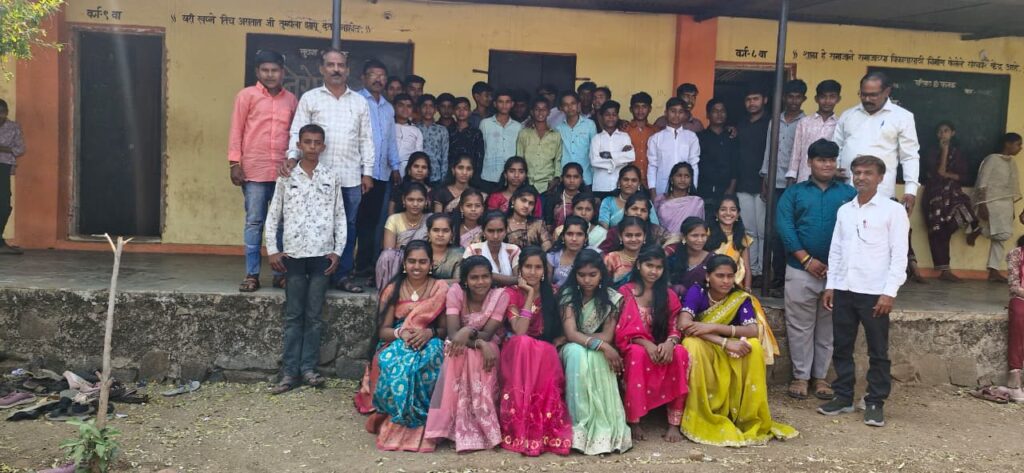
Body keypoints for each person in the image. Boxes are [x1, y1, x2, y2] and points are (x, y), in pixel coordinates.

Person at [819, 155, 909, 428]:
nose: (861, 177)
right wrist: (831, 284)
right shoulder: (845, 210)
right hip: (844, 288)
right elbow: (836, 249)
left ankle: (874, 401)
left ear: (880, 177)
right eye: (857, 172)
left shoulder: (893, 211)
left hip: (875, 291)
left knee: (878, 350)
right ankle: (843, 396)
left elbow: (899, 255)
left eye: (868, 173)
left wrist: (889, 292)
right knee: (842, 345)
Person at [678, 255, 796, 446]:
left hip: (731, 348)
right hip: (707, 345)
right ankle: (703, 412)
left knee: (754, 346)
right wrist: (723, 342)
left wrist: (714, 328)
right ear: (708, 276)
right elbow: (684, 324)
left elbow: (753, 330)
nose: (726, 281)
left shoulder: (739, 298)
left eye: (730, 276)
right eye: (720, 276)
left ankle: (746, 415)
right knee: (691, 343)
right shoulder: (697, 291)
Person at [285, 50, 375, 294]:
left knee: (348, 227)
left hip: (350, 176)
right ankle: (317, 276)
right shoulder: (310, 98)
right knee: (316, 224)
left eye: (341, 65)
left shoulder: (359, 102)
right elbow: (296, 132)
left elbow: (366, 139)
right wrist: (292, 157)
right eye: (331, 64)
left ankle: (342, 275)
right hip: (316, 177)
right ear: (321, 68)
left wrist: (367, 172)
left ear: (347, 70)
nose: (336, 69)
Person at [264, 124, 343, 394]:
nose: (312, 146)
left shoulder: (331, 177)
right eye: (307, 142)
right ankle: (289, 372)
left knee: (314, 315)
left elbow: (339, 216)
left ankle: (309, 368)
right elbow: (273, 215)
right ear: (299, 145)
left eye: (317, 142)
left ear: (323, 146)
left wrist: (338, 250)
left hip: (322, 255)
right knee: (293, 315)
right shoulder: (287, 177)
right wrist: (272, 249)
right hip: (294, 254)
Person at [775, 139, 855, 400]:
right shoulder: (794, 193)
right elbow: (785, 227)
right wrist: (806, 259)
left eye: (831, 160)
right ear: (810, 162)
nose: (827, 165)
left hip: (837, 273)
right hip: (800, 269)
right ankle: (800, 377)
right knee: (799, 326)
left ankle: (820, 378)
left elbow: (856, 230)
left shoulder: (848, 194)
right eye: (821, 160)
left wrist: (839, 265)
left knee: (828, 328)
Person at [833, 71, 923, 283]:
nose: (867, 99)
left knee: (875, 244)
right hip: (846, 190)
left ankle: (874, 287)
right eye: (863, 94)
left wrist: (911, 190)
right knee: (844, 240)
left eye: (873, 95)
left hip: (880, 193)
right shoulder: (848, 115)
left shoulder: (902, 117)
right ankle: (842, 283)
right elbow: (836, 147)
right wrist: (834, 168)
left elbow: (910, 156)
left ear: (887, 92)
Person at [364, 241, 449, 452]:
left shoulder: (439, 288)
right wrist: (401, 333)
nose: (417, 266)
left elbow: (444, 329)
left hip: (430, 338)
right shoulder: (393, 289)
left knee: (429, 358)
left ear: (431, 264)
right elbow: (383, 331)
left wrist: (428, 333)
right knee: (394, 361)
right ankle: (398, 417)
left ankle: (424, 421)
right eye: (412, 261)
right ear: (404, 264)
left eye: (422, 262)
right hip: (398, 338)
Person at [228, 50, 297, 290]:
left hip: (283, 172)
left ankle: (280, 274)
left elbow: (295, 134)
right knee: (254, 222)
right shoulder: (246, 96)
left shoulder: (291, 100)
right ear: (257, 72)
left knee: (281, 224)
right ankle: (252, 274)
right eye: (265, 70)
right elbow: (236, 129)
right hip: (253, 170)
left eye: (274, 70)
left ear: (283, 72)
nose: (270, 75)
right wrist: (234, 163)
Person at [424, 256, 507, 451]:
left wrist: (470, 333)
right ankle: (447, 427)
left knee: (477, 354)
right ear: (465, 281)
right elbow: (453, 334)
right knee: (457, 352)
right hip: (460, 344)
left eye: (485, 277)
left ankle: (480, 424)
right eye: (474, 277)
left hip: (489, 344)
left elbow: (488, 334)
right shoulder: (456, 292)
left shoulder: (500, 296)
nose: (480, 282)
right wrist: (476, 340)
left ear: (491, 278)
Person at [558, 249, 633, 454]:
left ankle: (603, 428)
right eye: (582, 275)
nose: (587, 280)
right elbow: (571, 333)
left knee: (597, 357)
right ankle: (578, 427)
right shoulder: (568, 295)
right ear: (575, 275)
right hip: (571, 348)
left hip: (592, 346)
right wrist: (601, 345)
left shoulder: (612, 298)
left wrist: (596, 344)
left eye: (592, 275)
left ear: (601, 274)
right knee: (577, 352)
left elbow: (607, 335)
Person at [500, 247, 572, 456]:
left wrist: (560, 339)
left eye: (538, 267)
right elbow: (520, 330)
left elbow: (565, 327)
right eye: (528, 267)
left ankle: (540, 428)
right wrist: (530, 294)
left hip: (543, 351)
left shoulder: (554, 293)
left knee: (544, 350)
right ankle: (519, 425)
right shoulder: (511, 293)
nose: (532, 272)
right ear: (520, 269)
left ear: (544, 270)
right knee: (524, 343)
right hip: (517, 351)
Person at [616, 246, 689, 443]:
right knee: (636, 354)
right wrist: (646, 344)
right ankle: (634, 421)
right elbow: (621, 330)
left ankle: (674, 423)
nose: (654, 271)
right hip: (635, 346)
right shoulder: (626, 292)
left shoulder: (668, 295)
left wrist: (670, 343)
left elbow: (675, 325)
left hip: (662, 346)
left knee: (680, 353)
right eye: (649, 265)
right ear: (639, 265)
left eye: (659, 267)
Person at [353, 59, 400, 291]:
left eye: (382, 75)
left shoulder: (388, 108)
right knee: (353, 220)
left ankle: (364, 265)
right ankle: (348, 266)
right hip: (358, 173)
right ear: (363, 77)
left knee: (371, 222)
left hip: (381, 173)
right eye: (373, 74)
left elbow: (390, 140)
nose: (378, 79)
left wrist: (396, 166)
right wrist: (364, 170)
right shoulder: (355, 101)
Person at [760, 79, 808, 293]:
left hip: (796, 185)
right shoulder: (775, 120)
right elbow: (768, 151)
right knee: (775, 232)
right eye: (790, 96)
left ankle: (791, 277)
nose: (793, 101)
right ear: (784, 98)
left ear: (804, 99)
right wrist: (765, 178)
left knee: (793, 232)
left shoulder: (806, 122)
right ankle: (778, 277)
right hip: (775, 183)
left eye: (798, 97)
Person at [923, 121, 981, 282]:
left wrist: (948, 175)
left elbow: (965, 176)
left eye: (946, 130)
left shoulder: (959, 153)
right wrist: (944, 151)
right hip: (934, 194)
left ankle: (974, 229)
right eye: (940, 131)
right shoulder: (931, 151)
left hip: (953, 193)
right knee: (937, 230)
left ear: (953, 133)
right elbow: (939, 173)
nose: (943, 134)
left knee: (961, 213)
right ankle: (944, 270)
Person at [974, 133, 1023, 283]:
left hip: (1006, 203)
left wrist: (1012, 208)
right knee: (1003, 234)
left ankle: (993, 270)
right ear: (1008, 144)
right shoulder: (992, 159)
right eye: (1018, 144)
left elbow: (1011, 187)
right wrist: (982, 204)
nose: (1020, 148)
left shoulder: (1011, 162)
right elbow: (982, 182)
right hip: (992, 201)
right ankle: (979, 230)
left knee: (1001, 238)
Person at [735, 87, 771, 287]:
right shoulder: (741, 124)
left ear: (764, 99)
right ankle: (753, 270)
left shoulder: (771, 123)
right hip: (743, 183)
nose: (752, 103)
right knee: (749, 231)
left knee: (763, 230)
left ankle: (764, 270)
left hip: (762, 184)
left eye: (756, 98)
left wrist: (766, 181)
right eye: (748, 99)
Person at [376, 182, 432, 290]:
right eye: (411, 200)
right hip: (398, 263)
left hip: (423, 261)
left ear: (426, 201)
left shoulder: (431, 220)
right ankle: (389, 292)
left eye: (420, 200)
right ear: (403, 200)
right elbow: (389, 251)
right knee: (387, 256)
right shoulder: (394, 219)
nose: (415, 204)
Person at [787, 80, 842, 184]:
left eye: (832, 97)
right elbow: (796, 152)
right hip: (804, 178)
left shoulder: (840, 124)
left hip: (830, 180)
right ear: (816, 99)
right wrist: (791, 177)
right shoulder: (804, 122)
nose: (827, 101)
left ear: (838, 99)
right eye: (823, 97)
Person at [647, 98, 701, 199]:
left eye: (680, 112)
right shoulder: (656, 138)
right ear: (666, 113)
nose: (676, 115)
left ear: (685, 115)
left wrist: (693, 189)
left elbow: (694, 164)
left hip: (685, 189)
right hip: (662, 188)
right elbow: (652, 166)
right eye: (673, 111)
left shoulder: (691, 137)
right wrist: (653, 191)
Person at [695, 98, 738, 215]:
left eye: (722, 111)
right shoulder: (699, 138)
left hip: (725, 191)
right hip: (703, 191)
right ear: (708, 115)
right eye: (715, 111)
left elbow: (735, 164)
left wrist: (731, 188)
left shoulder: (732, 137)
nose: (719, 114)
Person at [590, 101, 636, 198]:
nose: (611, 117)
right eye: (607, 115)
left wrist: (609, 155)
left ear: (618, 116)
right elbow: (595, 161)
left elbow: (631, 157)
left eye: (614, 114)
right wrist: (619, 157)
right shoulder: (596, 138)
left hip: (621, 186)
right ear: (602, 117)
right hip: (601, 185)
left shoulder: (624, 136)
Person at [479, 90, 523, 192]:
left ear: (512, 104)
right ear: (495, 104)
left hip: (511, 176)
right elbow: (481, 149)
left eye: (507, 102)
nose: (504, 105)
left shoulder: (518, 126)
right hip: (489, 174)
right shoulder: (485, 124)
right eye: (500, 102)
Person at [516, 98, 563, 191]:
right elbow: (519, 157)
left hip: (548, 184)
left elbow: (558, 159)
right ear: (532, 112)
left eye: (544, 109)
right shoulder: (524, 133)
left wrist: (556, 178)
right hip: (527, 182)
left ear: (549, 112)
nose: (540, 112)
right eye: (537, 109)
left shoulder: (555, 135)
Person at [463, 211, 521, 287]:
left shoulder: (513, 250)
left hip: (510, 293)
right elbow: (465, 277)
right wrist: (506, 280)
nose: (495, 236)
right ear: (483, 231)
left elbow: (518, 279)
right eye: (490, 231)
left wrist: (487, 274)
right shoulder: (472, 250)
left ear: (506, 231)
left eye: (500, 230)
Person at [598, 192, 668, 253]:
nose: (638, 213)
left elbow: (673, 240)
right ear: (626, 211)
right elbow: (602, 252)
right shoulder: (615, 231)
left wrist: (662, 254)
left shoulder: (656, 230)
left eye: (643, 210)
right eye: (634, 209)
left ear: (648, 214)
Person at [707, 196, 752, 289]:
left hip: (734, 286)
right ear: (716, 213)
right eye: (723, 209)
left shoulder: (742, 237)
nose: (728, 213)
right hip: (710, 285)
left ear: (738, 214)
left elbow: (747, 268)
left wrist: (747, 290)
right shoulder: (706, 234)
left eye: (733, 210)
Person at [654, 162, 705, 244]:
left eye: (687, 176)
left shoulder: (696, 203)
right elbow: (655, 226)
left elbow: (699, 228)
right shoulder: (660, 200)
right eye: (679, 175)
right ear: (672, 179)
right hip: (664, 244)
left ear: (691, 180)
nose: (683, 179)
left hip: (689, 244)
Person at [556, 92, 598, 186]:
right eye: (566, 105)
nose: (570, 107)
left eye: (573, 103)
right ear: (561, 108)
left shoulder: (590, 125)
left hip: (586, 177)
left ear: (578, 105)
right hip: (565, 178)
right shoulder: (558, 129)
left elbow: (594, 151)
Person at [666, 217, 712, 296]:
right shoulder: (673, 258)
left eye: (703, 235)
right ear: (684, 237)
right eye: (695, 236)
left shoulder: (712, 259)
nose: (700, 240)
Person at [1002, 236, 1024, 402]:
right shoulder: (1016, 254)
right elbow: (1014, 286)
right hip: (1021, 297)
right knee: (1018, 317)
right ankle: (1014, 380)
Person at [448, 97, 485, 187]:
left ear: (470, 112)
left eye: (465, 109)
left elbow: (479, 156)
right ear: (453, 111)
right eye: (458, 108)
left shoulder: (476, 133)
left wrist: (476, 175)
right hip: (451, 175)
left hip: (470, 175)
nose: (461, 112)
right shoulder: (448, 131)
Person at [603, 216, 647, 288]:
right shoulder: (611, 258)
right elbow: (603, 285)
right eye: (628, 235)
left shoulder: (649, 258)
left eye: (638, 235)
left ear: (644, 237)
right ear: (620, 237)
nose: (633, 239)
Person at [505, 186, 553, 252]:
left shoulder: (538, 224)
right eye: (523, 200)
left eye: (531, 203)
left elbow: (547, 248)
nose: (526, 206)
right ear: (513, 200)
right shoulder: (503, 224)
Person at [416, 95, 450, 187]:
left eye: (431, 106)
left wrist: (443, 179)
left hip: (436, 176)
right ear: (419, 109)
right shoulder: (414, 129)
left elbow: (445, 156)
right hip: (418, 175)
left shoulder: (442, 130)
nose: (428, 109)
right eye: (424, 106)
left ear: (435, 109)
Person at [624, 92, 658, 184]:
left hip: (650, 181)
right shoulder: (624, 130)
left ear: (650, 109)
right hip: (629, 181)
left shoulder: (656, 132)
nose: (640, 110)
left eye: (644, 107)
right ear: (631, 109)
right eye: (636, 107)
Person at [547, 215, 590, 287]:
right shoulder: (552, 257)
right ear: (563, 237)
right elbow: (547, 286)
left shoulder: (593, 256)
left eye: (579, 234)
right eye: (570, 234)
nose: (574, 239)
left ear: (585, 238)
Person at [542, 162, 585, 232]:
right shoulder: (553, 199)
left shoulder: (586, 199)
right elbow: (548, 226)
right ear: (562, 178)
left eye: (576, 177)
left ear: (581, 179)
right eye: (568, 176)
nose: (572, 180)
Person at [426, 213, 463, 283]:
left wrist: (434, 283)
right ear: (428, 233)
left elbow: (459, 281)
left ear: (452, 234)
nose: (440, 234)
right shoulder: (419, 252)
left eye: (445, 231)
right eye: (436, 230)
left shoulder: (459, 254)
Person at [393, 94, 424, 175]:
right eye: (401, 105)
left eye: (409, 106)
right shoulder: (388, 127)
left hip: (407, 171)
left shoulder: (416, 131)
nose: (405, 109)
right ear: (394, 107)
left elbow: (418, 155)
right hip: (387, 169)